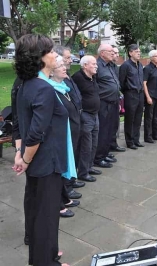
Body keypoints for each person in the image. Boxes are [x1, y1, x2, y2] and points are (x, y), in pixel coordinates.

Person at [12, 33, 70, 266]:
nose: (55, 54)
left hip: (38, 161)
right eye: (50, 51)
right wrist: (24, 158)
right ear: (39, 58)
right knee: (46, 217)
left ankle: (47, 255)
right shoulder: (43, 89)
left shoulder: (26, 84)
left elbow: (21, 124)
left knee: (39, 213)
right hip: (46, 162)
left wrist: (20, 154)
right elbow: (35, 132)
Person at [50, 56, 82, 218]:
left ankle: (64, 196)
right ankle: (59, 203)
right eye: (61, 65)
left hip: (71, 134)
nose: (65, 67)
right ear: (51, 71)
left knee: (67, 166)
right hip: (60, 138)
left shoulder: (63, 87)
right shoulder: (51, 89)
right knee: (60, 170)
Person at [53, 45, 85, 199]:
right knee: (67, 156)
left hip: (75, 120)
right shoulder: (52, 86)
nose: (69, 61)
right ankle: (67, 187)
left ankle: (71, 180)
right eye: (66, 58)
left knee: (75, 153)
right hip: (66, 126)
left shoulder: (66, 78)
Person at [72, 55, 100, 183]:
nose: (96, 66)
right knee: (85, 146)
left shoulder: (92, 77)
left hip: (95, 115)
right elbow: (74, 98)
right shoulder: (77, 78)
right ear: (85, 66)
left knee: (93, 144)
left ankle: (89, 166)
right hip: (86, 115)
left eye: (96, 64)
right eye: (93, 64)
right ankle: (82, 172)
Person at [94, 44, 120, 167]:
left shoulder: (110, 66)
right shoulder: (97, 66)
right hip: (103, 103)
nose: (112, 53)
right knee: (103, 131)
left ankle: (105, 153)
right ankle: (98, 158)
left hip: (114, 102)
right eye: (110, 51)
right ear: (102, 53)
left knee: (110, 130)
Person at [119, 44, 145, 149]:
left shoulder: (139, 65)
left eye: (139, 51)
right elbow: (121, 82)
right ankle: (129, 141)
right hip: (131, 94)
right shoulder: (125, 65)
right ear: (130, 53)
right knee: (130, 118)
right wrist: (128, 91)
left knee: (138, 118)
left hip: (140, 94)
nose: (139, 53)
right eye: (136, 51)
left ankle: (136, 139)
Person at [143, 50, 157, 143]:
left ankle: (155, 134)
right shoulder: (147, 69)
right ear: (151, 58)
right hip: (151, 96)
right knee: (149, 117)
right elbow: (144, 83)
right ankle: (148, 136)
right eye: (156, 56)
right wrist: (148, 97)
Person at [109, 45, 126, 152]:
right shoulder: (106, 66)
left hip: (116, 98)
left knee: (115, 123)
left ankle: (113, 144)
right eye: (114, 53)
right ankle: (108, 147)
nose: (116, 55)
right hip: (107, 101)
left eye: (117, 53)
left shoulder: (115, 67)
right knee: (108, 125)